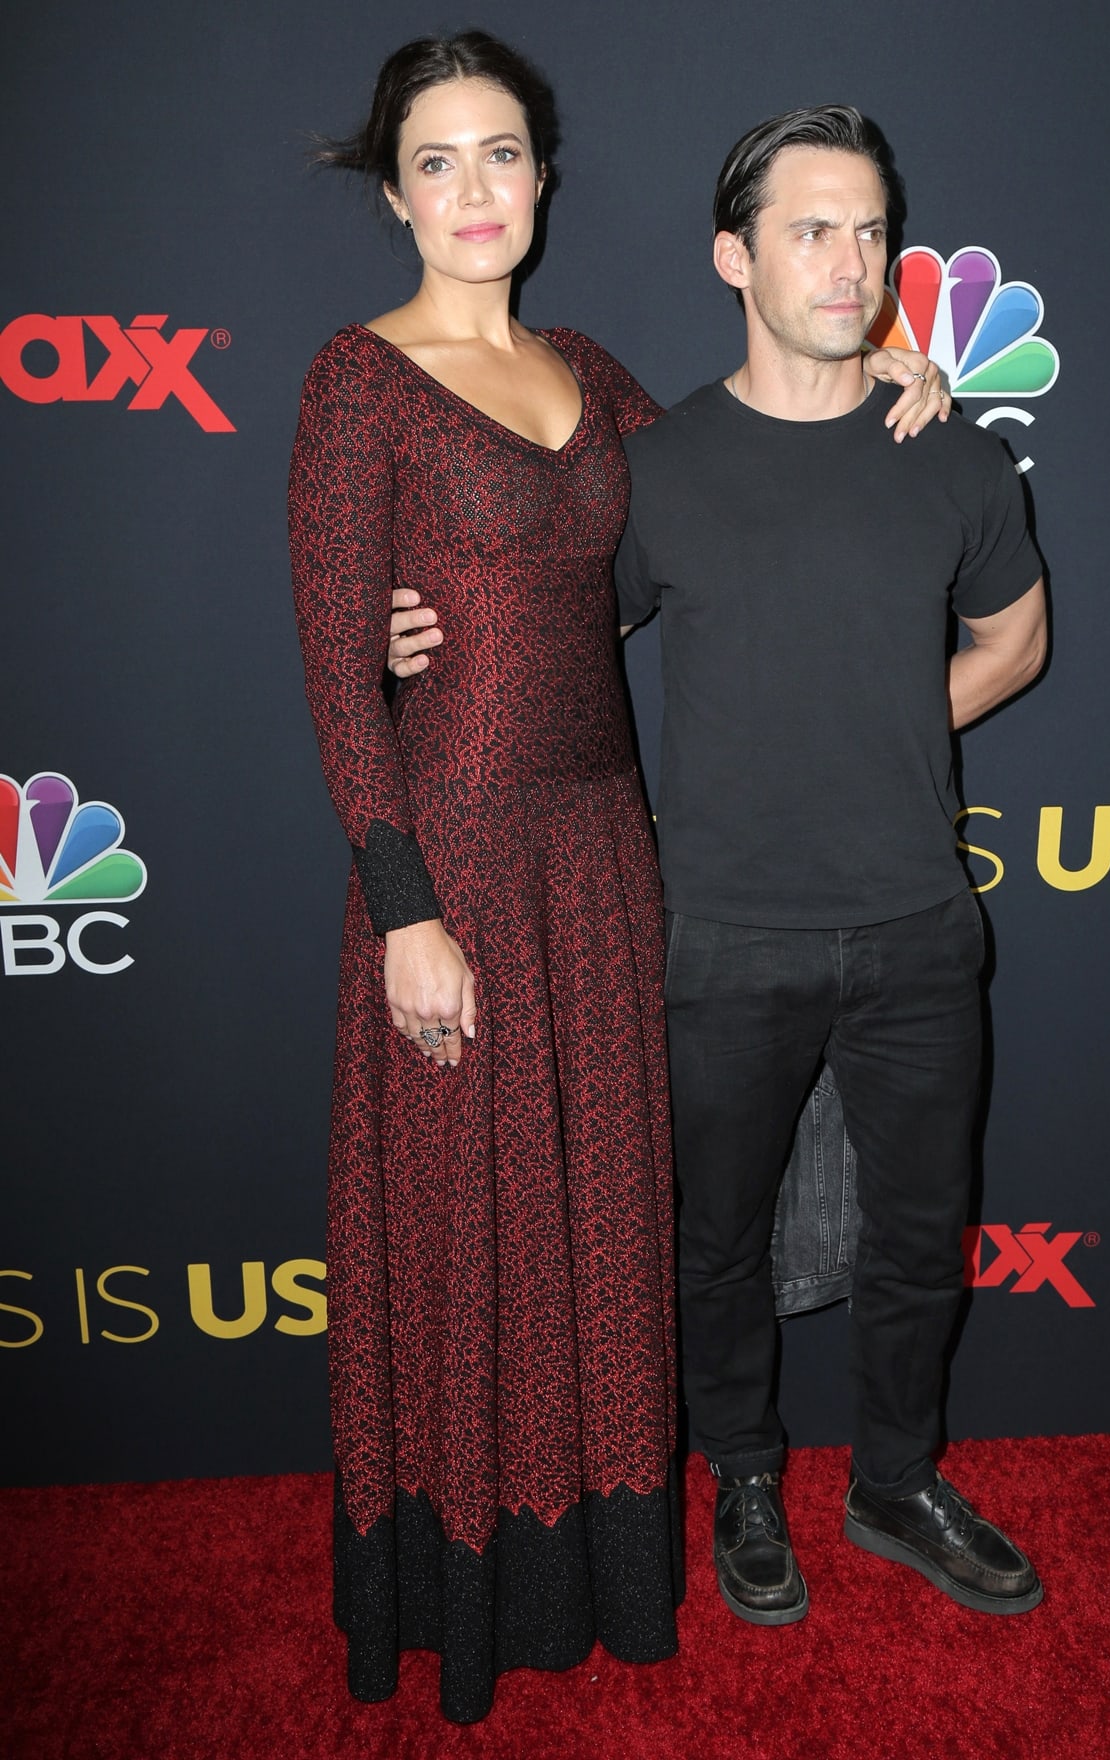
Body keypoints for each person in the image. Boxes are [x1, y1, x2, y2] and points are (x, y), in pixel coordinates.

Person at [292, 35, 948, 1721]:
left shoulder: (595, 376)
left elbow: (751, 472)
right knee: (468, 1230)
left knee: (598, 1229)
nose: (474, 191)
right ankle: (461, 1588)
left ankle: (601, 1566)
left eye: (500, 154)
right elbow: (332, 674)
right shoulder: (355, 381)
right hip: (456, 858)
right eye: (435, 162)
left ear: (543, 175)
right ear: (394, 192)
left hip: (605, 857)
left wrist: (898, 378)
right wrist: (403, 908)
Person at [389, 103, 1047, 1633]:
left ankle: (894, 1479)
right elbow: (547, 647)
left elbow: (1017, 640)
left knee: (915, 1234)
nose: (852, 258)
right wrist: (409, 637)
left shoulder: (946, 449)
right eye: (812, 228)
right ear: (730, 257)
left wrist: (886, 712)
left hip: (916, 929)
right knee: (715, 1241)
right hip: (721, 938)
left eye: (873, 227)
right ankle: (744, 1475)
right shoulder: (653, 468)